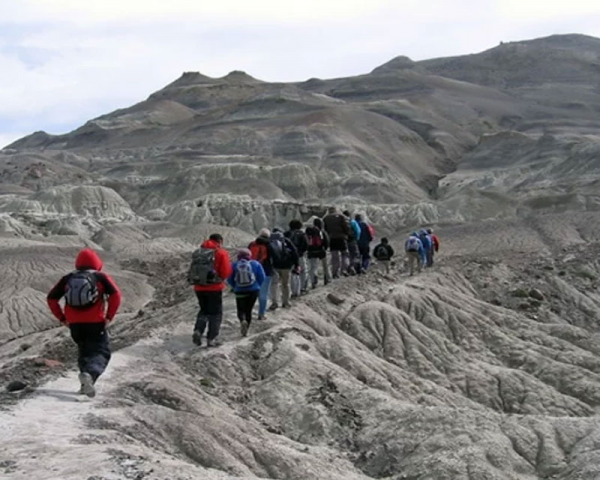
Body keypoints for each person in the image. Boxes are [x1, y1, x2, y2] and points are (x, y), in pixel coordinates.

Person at [47, 248, 122, 398]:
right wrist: (109, 317)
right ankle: (90, 375)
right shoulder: (100, 277)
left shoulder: (68, 278)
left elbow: (51, 298)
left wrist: (62, 319)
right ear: (97, 263)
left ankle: (84, 384)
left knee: (84, 351)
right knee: (101, 352)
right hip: (96, 322)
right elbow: (116, 295)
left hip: (75, 324)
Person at [188, 233, 232, 347]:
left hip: (198, 286)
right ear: (220, 241)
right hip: (214, 287)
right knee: (216, 313)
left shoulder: (198, 253)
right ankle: (211, 338)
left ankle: (198, 330)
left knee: (204, 310)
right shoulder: (221, 253)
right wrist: (220, 278)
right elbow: (226, 271)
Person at [228, 248, 265, 337]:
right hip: (253, 291)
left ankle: (242, 320)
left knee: (241, 309)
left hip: (240, 291)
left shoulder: (234, 265)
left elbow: (229, 279)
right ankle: (246, 329)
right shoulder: (255, 264)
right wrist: (257, 286)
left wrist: (235, 286)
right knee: (249, 310)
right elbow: (262, 277)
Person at [269, 228, 299, 310]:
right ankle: (286, 302)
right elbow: (295, 252)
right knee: (285, 284)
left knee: (274, 284)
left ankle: (274, 302)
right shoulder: (286, 241)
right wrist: (296, 265)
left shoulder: (270, 241)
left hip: (275, 266)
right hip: (286, 266)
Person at [249, 228, 274, 320]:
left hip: (253, 271)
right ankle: (261, 313)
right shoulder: (269, 245)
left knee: (252, 293)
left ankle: (248, 313)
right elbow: (274, 257)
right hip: (266, 271)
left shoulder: (252, 244)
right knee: (263, 293)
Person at [323, 207, 350, 279]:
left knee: (335, 256)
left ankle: (335, 273)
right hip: (342, 238)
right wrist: (346, 234)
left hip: (332, 239)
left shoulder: (326, 218)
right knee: (345, 254)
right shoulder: (341, 217)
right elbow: (346, 227)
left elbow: (325, 229)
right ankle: (344, 269)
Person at [287, 219, 309, 297]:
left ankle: (294, 292)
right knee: (303, 271)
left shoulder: (286, 234)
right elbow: (306, 245)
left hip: (290, 257)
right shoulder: (302, 234)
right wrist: (302, 252)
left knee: (293, 273)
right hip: (300, 255)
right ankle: (302, 288)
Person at [306, 217, 331, 288]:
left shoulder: (309, 231)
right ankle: (327, 279)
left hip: (311, 251)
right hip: (321, 251)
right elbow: (326, 241)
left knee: (313, 267)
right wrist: (325, 248)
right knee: (325, 266)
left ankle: (314, 282)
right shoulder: (322, 231)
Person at [343, 210, 362, 275]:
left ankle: (346, 269)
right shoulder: (352, 221)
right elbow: (358, 231)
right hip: (352, 240)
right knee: (355, 254)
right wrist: (357, 238)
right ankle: (352, 267)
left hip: (344, 241)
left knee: (346, 255)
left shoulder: (341, 221)